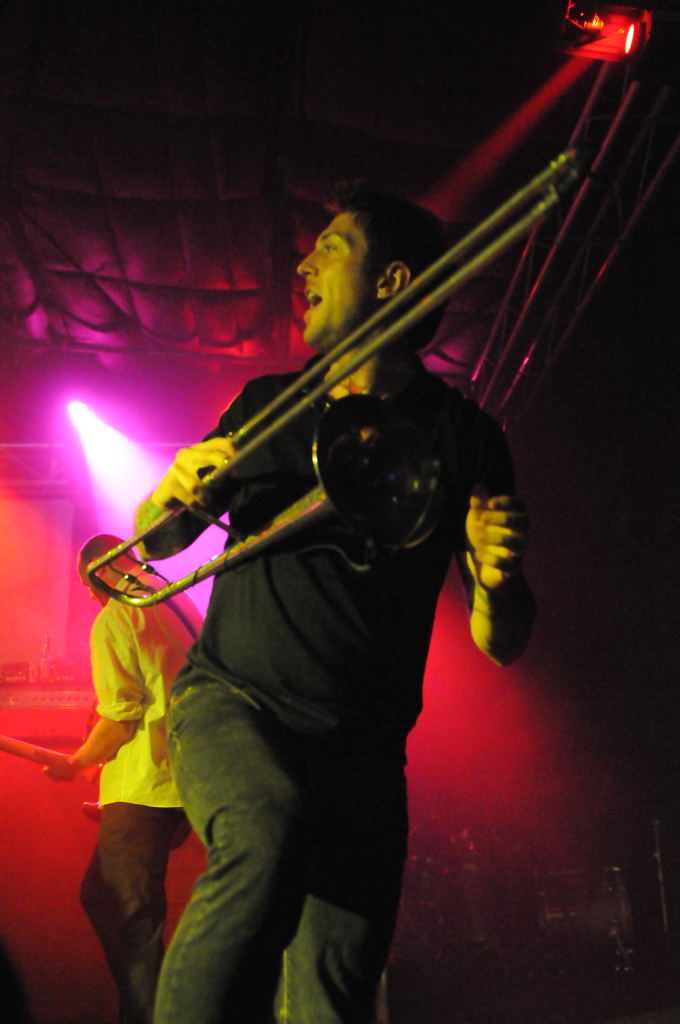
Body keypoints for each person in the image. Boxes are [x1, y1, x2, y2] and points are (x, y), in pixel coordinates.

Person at [133, 183, 536, 1024]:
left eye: (330, 247)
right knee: (267, 831)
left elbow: (501, 642)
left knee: (335, 992)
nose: (302, 265)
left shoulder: (467, 437)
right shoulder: (266, 404)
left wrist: (499, 582)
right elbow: (158, 545)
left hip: (363, 756)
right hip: (235, 703)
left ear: (391, 282)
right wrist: (167, 494)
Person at [44, 534, 203, 1024]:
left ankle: (155, 1014)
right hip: (188, 774)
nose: (91, 597)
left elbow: (120, 718)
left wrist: (76, 763)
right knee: (113, 899)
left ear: (100, 572)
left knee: (124, 911)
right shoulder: (177, 600)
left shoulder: (117, 617)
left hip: (144, 786)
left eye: (87, 586)